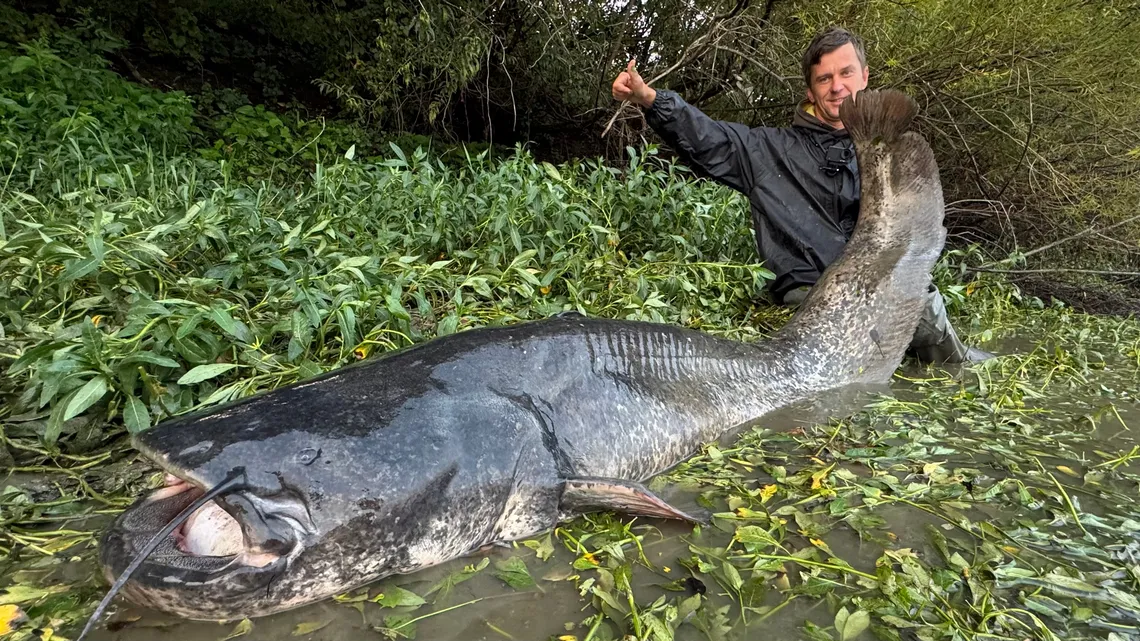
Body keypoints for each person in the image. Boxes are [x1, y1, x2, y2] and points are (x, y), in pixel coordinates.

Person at [611, 25, 992, 364]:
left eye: (846, 73)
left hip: (879, 290)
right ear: (810, 89)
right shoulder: (769, 151)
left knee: (926, 307)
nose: (837, 87)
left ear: (865, 76)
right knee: (902, 320)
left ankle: (953, 364)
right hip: (810, 294)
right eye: (824, 79)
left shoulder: (885, 156)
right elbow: (710, 138)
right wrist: (651, 100)